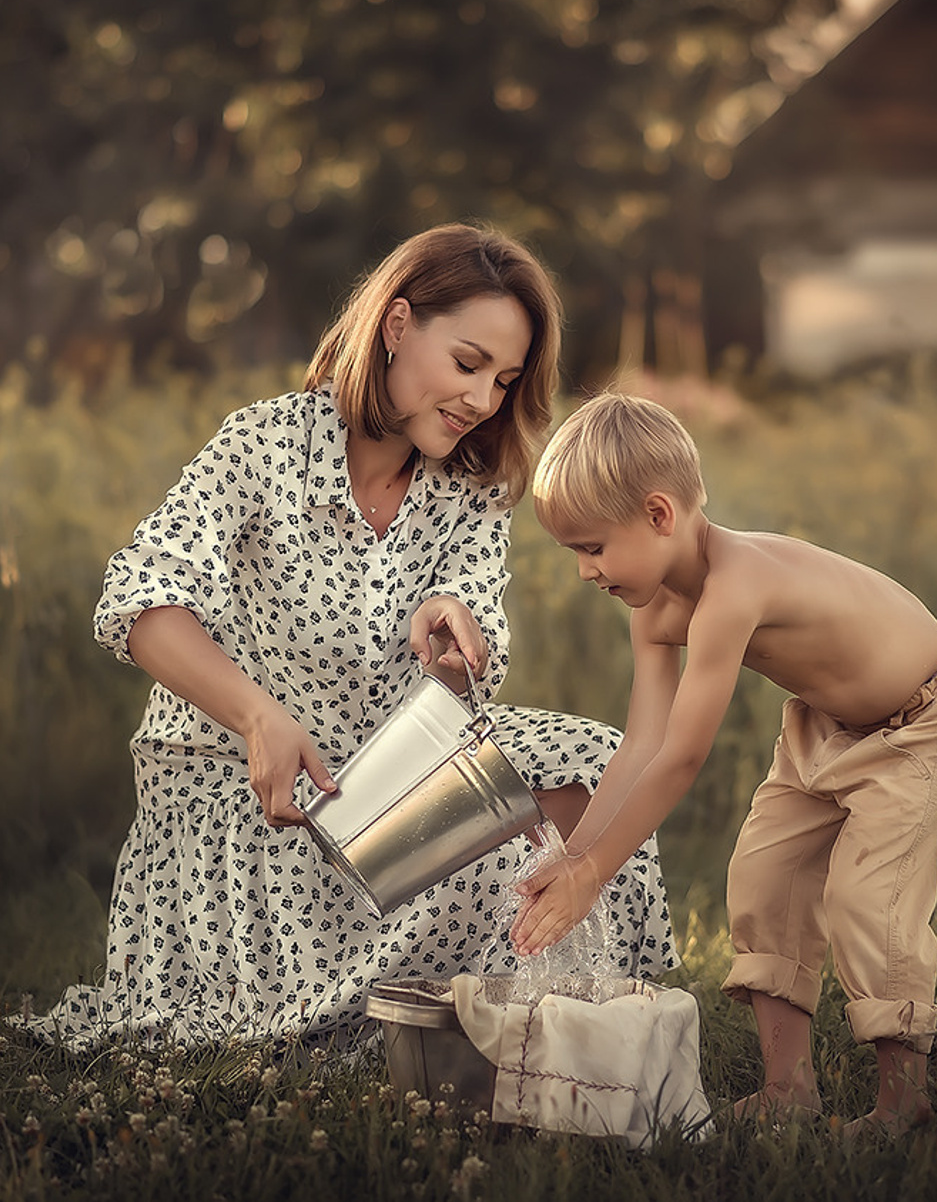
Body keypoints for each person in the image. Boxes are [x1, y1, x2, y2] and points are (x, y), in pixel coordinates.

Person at [26, 226, 675, 1048]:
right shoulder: (264, 444)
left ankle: (545, 1010)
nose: (483, 399)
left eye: (504, 381)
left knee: (601, 771)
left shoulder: (472, 487)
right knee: (479, 854)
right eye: (468, 364)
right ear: (397, 326)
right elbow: (141, 602)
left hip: (387, 794)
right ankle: (442, 1000)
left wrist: (454, 641)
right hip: (256, 800)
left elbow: (467, 666)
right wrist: (258, 718)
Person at [510, 392, 937, 1138]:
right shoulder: (654, 611)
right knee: (764, 878)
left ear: (659, 515)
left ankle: (906, 1103)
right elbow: (643, 743)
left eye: (592, 548)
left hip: (924, 717)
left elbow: (682, 756)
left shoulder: (736, 587)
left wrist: (595, 872)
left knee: (868, 897)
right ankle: (787, 1089)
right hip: (825, 724)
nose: (582, 571)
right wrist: (574, 857)